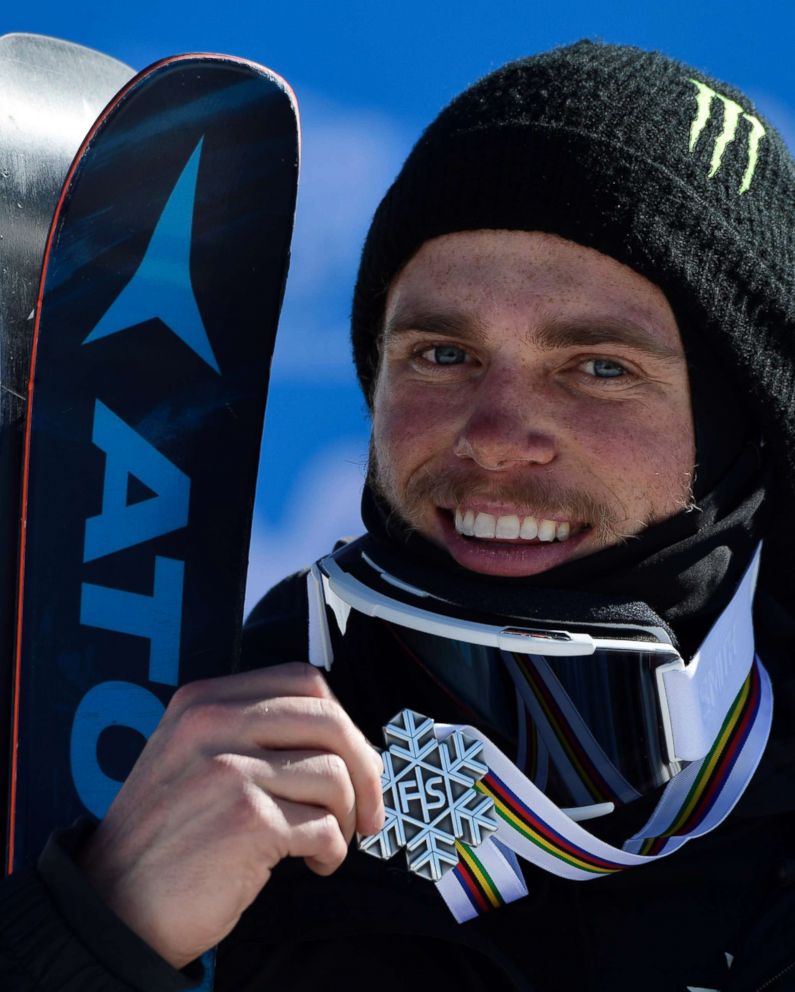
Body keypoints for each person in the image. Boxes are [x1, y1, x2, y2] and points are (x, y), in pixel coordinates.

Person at [1, 39, 794, 992]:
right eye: (442, 354)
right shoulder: (195, 782)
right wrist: (92, 937)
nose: (496, 435)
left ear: (740, 414)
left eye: (598, 367)